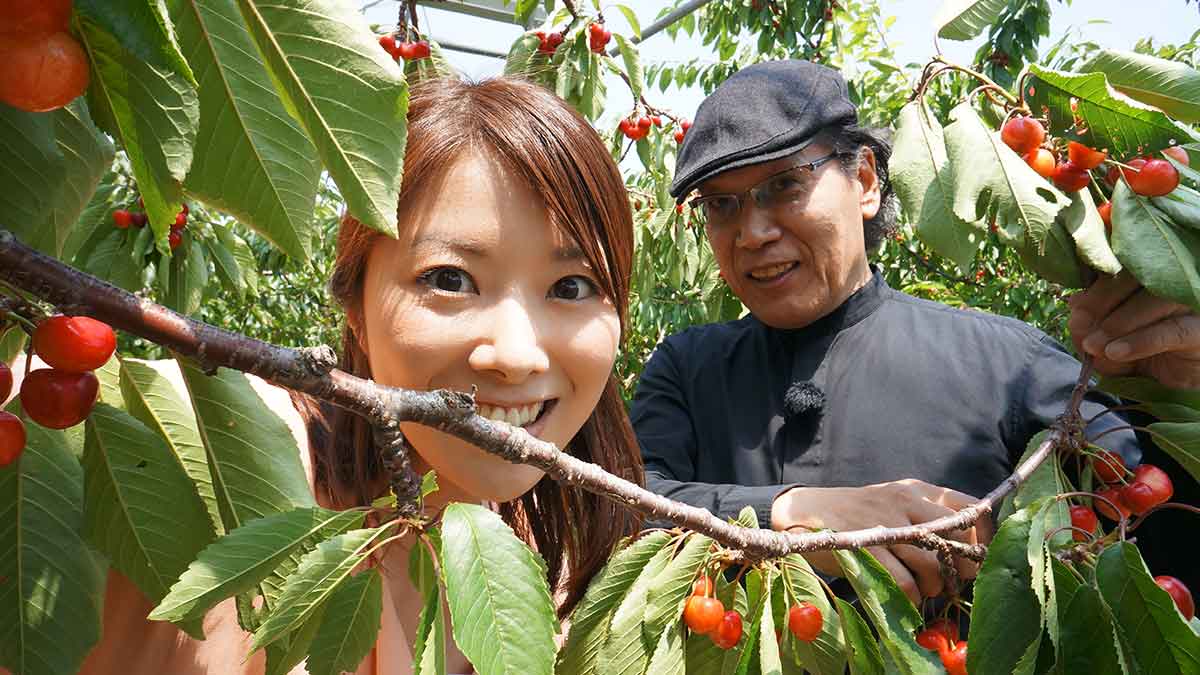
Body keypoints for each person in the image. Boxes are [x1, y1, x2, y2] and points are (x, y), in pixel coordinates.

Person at [2, 76, 643, 675]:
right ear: (355, 308)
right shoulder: (204, 442)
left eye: (572, 285)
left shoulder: (547, 562)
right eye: (449, 280)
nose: (516, 353)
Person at [630, 59, 1200, 604]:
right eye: (721, 206)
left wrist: (1177, 398)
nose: (751, 232)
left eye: (783, 185)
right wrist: (789, 512)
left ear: (866, 181)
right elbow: (625, 507)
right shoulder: (687, 366)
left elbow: (1151, 528)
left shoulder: (1009, 365)